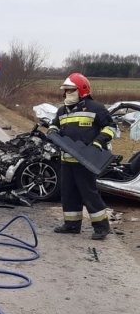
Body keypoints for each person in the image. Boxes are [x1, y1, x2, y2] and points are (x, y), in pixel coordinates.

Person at [47, 73, 116, 240]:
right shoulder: (62, 111)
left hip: (86, 162)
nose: (67, 94)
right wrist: (52, 132)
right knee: (68, 194)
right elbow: (54, 126)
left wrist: (98, 142)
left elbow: (111, 127)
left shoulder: (96, 108)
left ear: (82, 90)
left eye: (70, 90)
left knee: (89, 193)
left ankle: (102, 227)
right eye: (65, 91)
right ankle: (71, 225)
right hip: (66, 161)